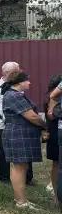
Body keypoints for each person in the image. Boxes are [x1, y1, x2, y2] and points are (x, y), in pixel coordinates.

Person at [0, 61, 34, 185]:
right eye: (15, 71)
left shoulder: (17, 84)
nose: (19, 72)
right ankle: (5, 178)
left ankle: (27, 178)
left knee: (24, 150)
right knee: (3, 151)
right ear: (6, 73)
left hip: (19, 124)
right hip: (1, 125)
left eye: (19, 70)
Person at [1, 71, 46, 209]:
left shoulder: (16, 95)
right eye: (27, 80)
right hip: (17, 134)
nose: (29, 83)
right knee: (19, 167)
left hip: (22, 134)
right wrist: (45, 126)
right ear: (19, 82)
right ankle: (20, 201)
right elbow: (32, 116)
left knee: (22, 166)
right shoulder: (13, 95)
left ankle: (21, 199)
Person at [45, 75, 61, 203]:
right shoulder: (53, 99)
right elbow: (50, 117)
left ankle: (56, 195)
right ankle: (56, 196)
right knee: (56, 164)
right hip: (56, 133)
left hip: (55, 133)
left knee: (56, 164)